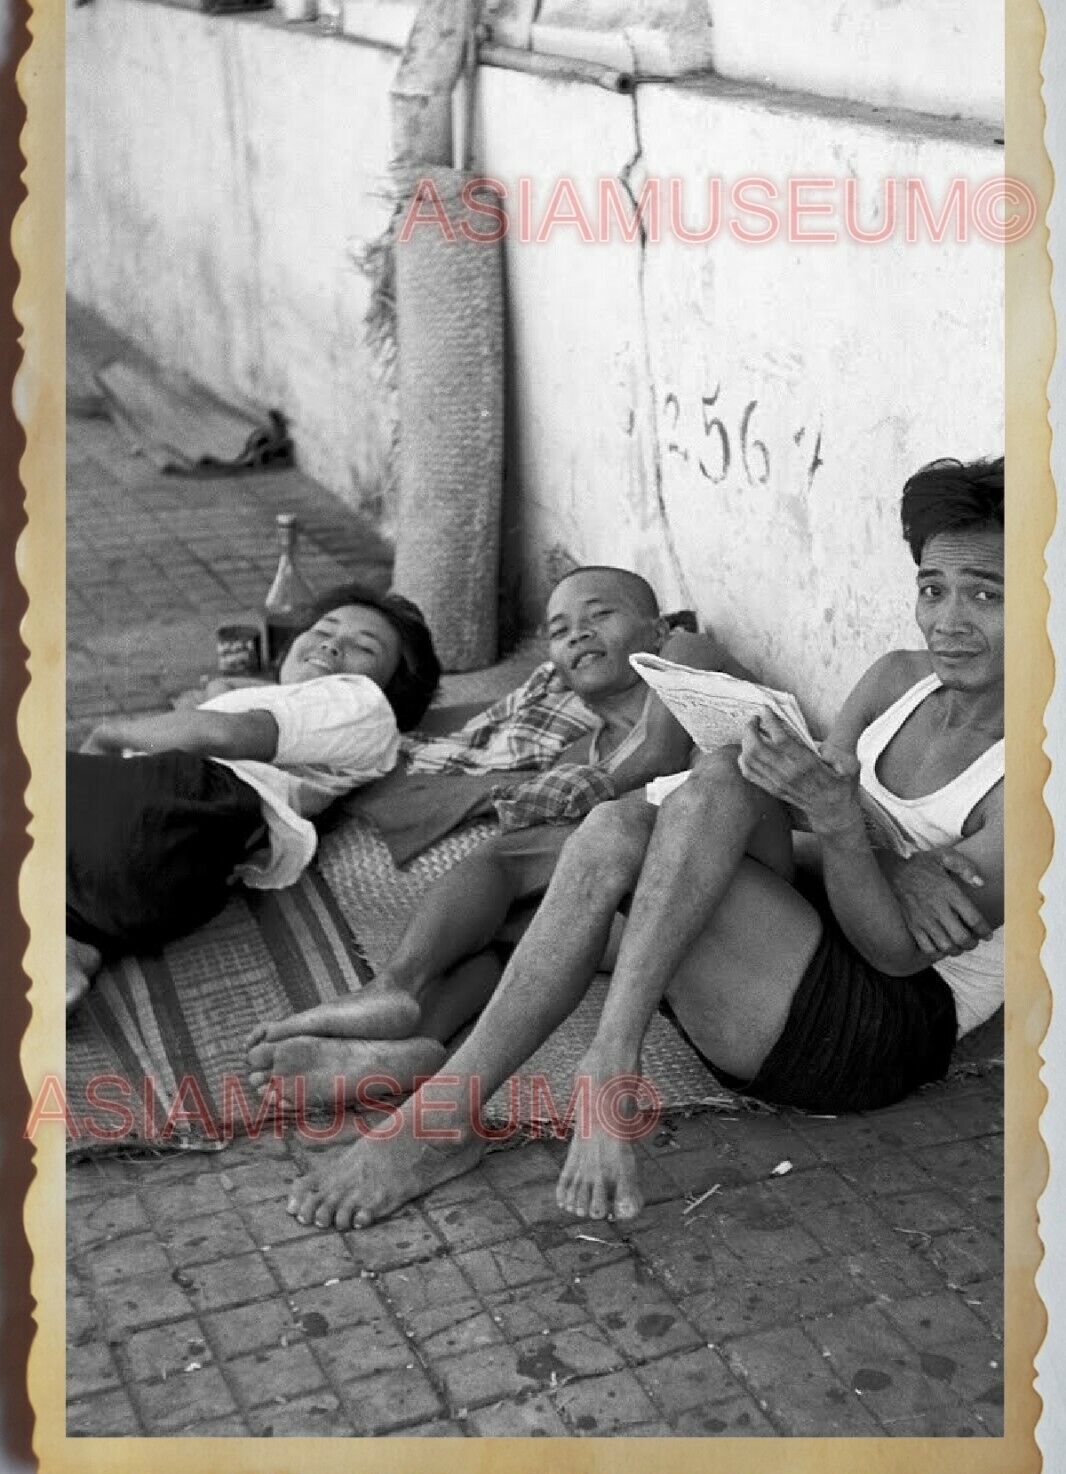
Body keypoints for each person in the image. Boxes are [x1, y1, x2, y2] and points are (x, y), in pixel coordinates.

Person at [282, 456, 1005, 1232]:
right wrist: (884, 857)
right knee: (635, 818)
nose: (948, 621)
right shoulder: (899, 678)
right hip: (804, 940)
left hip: (872, 1027)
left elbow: (897, 952)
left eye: (987, 594)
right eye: (934, 588)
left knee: (647, 842)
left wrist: (839, 829)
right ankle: (476, 1095)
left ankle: (573, 1061)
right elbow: (811, 818)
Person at [245, 566, 734, 1104]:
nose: (579, 634)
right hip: (659, 914)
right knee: (507, 929)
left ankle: (396, 986)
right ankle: (421, 1040)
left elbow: (662, 751)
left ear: (657, 628)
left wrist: (592, 788)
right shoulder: (582, 751)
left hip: (734, 879)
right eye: (560, 630)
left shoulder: (687, 653)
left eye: (601, 614)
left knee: (503, 860)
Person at [66, 584, 441, 1014]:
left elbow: (224, 734)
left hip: (174, 802)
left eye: (364, 647)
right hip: (173, 877)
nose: (333, 646)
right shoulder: (302, 707)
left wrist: (109, 733)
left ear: (393, 689)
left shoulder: (360, 699)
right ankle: (72, 955)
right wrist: (224, 690)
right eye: (324, 629)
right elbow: (239, 708)